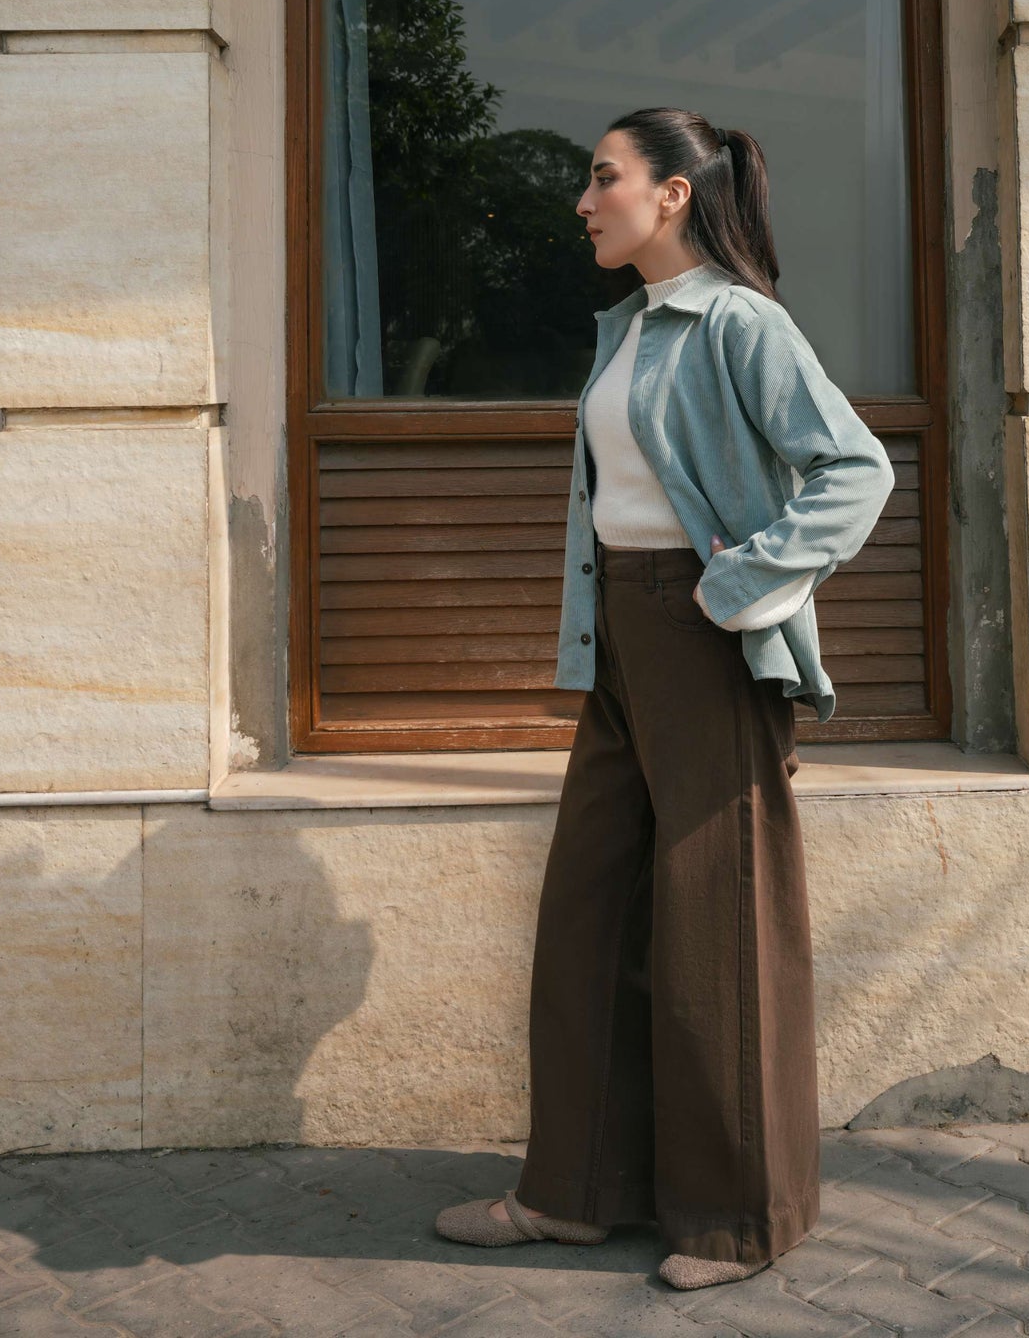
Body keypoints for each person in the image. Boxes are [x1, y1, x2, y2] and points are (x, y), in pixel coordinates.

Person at [437, 107, 895, 1290]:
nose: (584, 200)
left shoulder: (741, 323)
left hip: (703, 633)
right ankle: (571, 1194)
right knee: (588, 904)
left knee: (717, 924)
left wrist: (739, 585)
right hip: (625, 640)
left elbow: (855, 466)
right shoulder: (629, 329)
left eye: (605, 178)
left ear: (673, 194)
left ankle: (739, 1216)